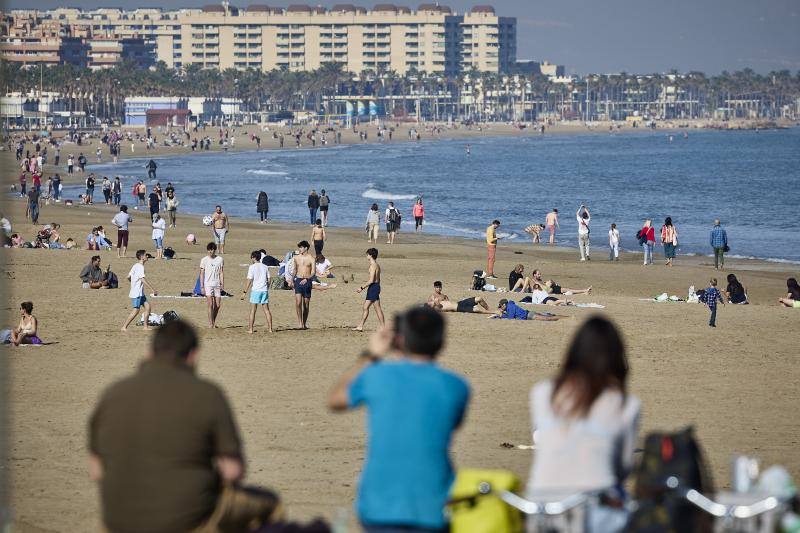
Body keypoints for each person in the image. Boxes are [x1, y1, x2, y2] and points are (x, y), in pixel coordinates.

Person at [89, 320, 282, 533]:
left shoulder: (113, 394)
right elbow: (233, 470)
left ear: (150, 352)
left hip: (118, 521)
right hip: (188, 520)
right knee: (271, 505)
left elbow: (97, 471)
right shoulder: (208, 394)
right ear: (193, 356)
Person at [328, 307, 470, 532]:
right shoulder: (456, 386)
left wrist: (372, 354)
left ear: (399, 340)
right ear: (441, 341)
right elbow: (453, 424)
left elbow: (336, 399)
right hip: (433, 502)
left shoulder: (377, 376)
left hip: (380, 503)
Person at [526, 317, 639, 533]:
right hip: (596, 507)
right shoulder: (626, 404)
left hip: (542, 505)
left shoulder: (541, 392)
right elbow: (622, 467)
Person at [121, 250, 158, 331]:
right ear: (141, 257)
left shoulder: (135, 265)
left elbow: (128, 277)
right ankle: (124, 327)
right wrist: (152, 289)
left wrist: (133, 283)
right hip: (136, 293)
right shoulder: (140, 267)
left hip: (140, 293)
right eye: (145, 255)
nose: (147, 256)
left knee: (148, 307)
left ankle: (145, 326)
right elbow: (142, 279)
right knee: (136, 310)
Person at [354, 248, 385, 331]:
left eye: (367, 254)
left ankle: (361, 326)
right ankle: (382, 327)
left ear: (370, 255)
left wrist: (361, 287)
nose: (366, 256)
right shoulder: (377, 265)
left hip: (373, 287)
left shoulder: (373, 266)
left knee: (366, 307)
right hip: (376, 287)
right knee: (376, 308)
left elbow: (371, 280)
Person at [241, 250, 273, 334]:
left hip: (256, 291)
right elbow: (269, 279)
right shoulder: (265, 266)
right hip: (264, 290)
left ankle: (250, 329)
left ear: (254, 257)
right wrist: (267, 287)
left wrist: (244, 292)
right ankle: (270, 329)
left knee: (253, 311)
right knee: (266, 310)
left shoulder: (252, 267)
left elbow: (249, 280)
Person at [288, 240, 315, 329]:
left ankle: (304, 323)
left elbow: (313, 272)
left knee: (306, 304)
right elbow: (295, 270)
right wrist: (291, 280)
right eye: (299, 247)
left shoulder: (311, 258)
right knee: (298, 302)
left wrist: (307, 279)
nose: (299, 249)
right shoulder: (296, 258)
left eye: (301, 247)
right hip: (298, 280)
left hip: (307, 281)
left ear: (306, 248)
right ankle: (300, 323)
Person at [427, 281, 493, 314]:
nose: (439, 289)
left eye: (440, 287)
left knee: (479, 298)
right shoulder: (433, 296)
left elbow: (449, 303)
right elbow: (433, 307)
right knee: (477, 309)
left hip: (459, 303)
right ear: (434, 288)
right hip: (458, 308)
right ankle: (492, 312)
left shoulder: (444, 296)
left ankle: (488, 309)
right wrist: (437, 303)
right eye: (437, 287)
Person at [200, 242, 225, 328]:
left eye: (212, 250)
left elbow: (221, 272)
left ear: (215, 250)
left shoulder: (220, 259)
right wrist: (202, 286)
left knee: (217, 305)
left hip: (217, 284)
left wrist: (222, 283)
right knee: (210, 304)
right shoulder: (204, 260)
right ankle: (211, 324)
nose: (210, 252)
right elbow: (201, 274)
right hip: (208, 284)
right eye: (209, 250)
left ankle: (213, 321)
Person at [495, 299, 564, 321]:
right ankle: (564, 317)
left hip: (529, 315)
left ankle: (566, 318)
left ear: (504, 305)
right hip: (529, 313)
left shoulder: (510, 307)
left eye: (500, 306)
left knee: (548, 318)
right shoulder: (510, 306)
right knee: (548, 317)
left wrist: (501, 316)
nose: (500, 308)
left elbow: (510, 318)